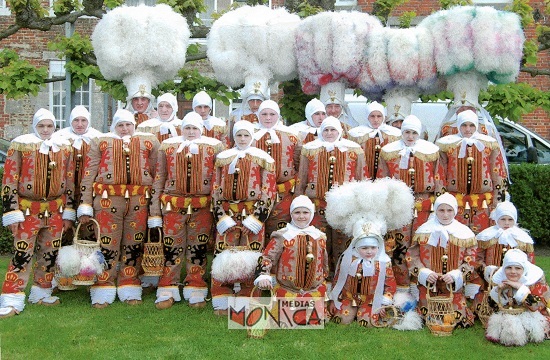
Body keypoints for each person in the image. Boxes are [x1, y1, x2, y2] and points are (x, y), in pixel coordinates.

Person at [77, 109, 160, 308]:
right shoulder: (101, 142)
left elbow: (158, 173)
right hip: (107, 200)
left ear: (134, 125)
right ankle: (103, 285)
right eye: (120, 125)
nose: (124, 129)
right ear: (114, 126)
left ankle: (129, 283)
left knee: (133, 243)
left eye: (128, 124)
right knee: (107, 242)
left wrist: (155, 208)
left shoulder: (149, 142)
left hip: (139, 200)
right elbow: (89, 173)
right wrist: (85, 205)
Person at [0, 108, 75, 318]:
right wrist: (11, 212)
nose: (45, 130)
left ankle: (42, 291)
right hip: (27, 211)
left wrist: (68, 212)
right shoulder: (21, 146)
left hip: (55, 211)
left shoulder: (63, 148)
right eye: (41, 126)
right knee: (22, 254)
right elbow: (9, 180)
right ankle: (12, 296)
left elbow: (69, 181)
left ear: (55, 127)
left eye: (49, 126)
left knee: (49, 254)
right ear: (35, 126)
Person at [150, 112, 223, 310]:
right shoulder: (168, 147)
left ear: (201, 129)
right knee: (171, 246)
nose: (191, 132)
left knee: (198, 247)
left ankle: (196, 285)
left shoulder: (214, 147)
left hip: (202, 206)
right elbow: (160, 177)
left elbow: (219, 180)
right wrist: (155, 211)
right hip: (173, 205)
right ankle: (168, 287)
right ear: (182, 129)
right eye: (187, 128)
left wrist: (218, 210)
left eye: (195, 128)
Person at [210, 120, 276, 315]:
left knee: (251, 253)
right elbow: (215, 188)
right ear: (234, 137)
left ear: (252, 137)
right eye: (239, 135)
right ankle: (222, 292)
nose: (242, 139)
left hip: (253, 212)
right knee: (224, 252)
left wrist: (257, 219)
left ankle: (248, 292)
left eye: (246, 135)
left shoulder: (263, 158)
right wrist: (220, 216)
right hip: (228, 212)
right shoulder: (223, 158)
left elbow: (269, 190)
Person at [378, 115, 441, 296]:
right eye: (407, 132)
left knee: (420, 244)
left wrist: (438, 205)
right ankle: (401, 285)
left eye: (414, 133)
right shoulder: (388, 152)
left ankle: (419, 283)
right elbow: (383, 180)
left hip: (424, 205)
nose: (410, 136)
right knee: (399, 244)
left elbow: (439, 179)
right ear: (401, 133)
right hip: (399, 205)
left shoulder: (431, 152)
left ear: (419, 134)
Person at [295, 117, 367, 274]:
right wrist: (299, 201)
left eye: (333, 129)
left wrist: (361, 206)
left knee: (342, 242)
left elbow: (362, 179)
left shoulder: (354, 150)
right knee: (318, 241)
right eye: (326, 130)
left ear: (340, 131)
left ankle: (342, 277)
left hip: (345, 206)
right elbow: (302, 176)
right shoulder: (310, 149)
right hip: (316, 203)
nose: (329, 133)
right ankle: (319, 276)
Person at [406, 193, 477, 328]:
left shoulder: (464, 233)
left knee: (457, 318)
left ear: (455, 211)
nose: (445, 215)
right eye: (441, 210)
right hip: (429, 286)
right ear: (436, 210)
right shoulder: (424, 231)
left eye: (449, 210)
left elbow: (471, 260)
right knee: (427, 316)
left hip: (452, 287)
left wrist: (457, 274)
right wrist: (423, 272)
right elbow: (412, 256)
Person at [255, 195, 328, 322]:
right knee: (286, 321)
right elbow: (268, 257)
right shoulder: (282, 235)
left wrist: (324, 276)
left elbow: (324, 261)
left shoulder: (319, 236)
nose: (301, 216)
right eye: (297, 212)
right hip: (288, 289)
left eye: (305, 212)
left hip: (313, 289)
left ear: (311, 214)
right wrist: (264, 274)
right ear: (291, 213)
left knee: (314, 321)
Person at [436, 110, 508, 234]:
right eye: (464, 125)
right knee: (456, 236)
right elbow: (440, 174)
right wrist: (441, 201)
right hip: (455, 200)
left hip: (484, 201)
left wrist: (498, 202)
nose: (467, 129)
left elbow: (498, 173)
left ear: (476, 126)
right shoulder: (447, 145)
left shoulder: (489, 144)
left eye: (471, 125)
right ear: (458, 126)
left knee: (482, 235)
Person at [471, 201, 535, 315]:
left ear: (515, 220)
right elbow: (477, 258)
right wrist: (487, 270)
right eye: (503, 219)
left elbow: (530, 263)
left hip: (516, 277)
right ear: (496, 219)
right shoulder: (487, 236)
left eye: (510, 220)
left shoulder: (523, 239)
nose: (506, 223)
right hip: (490, 279)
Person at [252, 100, 302, 240]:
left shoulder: (291, 135)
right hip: (257, 192)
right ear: (258, 115)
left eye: (272, 114)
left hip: (283, 191)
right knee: (256, 227)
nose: (268, 118)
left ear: (278, 115)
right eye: (264, 114)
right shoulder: (250, 134)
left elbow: (297, 161)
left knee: (280, 227)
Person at [331, 222, 396, 326]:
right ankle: (351, 312)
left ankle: (363, 313)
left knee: (367, 323)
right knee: (341, 320)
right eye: (364, 248)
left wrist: (384, 303)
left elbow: (390, 284)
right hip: (349, 298)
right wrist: (335, 299)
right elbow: (339, 279)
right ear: (356, 247)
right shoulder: (349, 259)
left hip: (371, 301)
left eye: (373, 248)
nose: (369, 251)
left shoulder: (383, 262)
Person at [486, 249, 550, 345]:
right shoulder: (504, 281)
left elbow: (536, 306)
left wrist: (520, 288)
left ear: (524, 269)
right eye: (509, 268)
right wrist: (498, 291)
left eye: (518, 268)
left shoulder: (536, 282)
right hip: (513, 313)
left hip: (538, 314)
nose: (513, 272)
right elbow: (493, 305)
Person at [55, 106, 103, 207]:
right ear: (71, 121)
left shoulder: (98, 138)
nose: (80, 124)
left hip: (89, 187)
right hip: (66, 186)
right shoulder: (59, 137)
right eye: (76, 120)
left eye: (83, 120)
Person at [348, 101, 401, 180]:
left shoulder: (394, 134)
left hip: (386, 176)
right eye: (372, 116)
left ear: (383, 117)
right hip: (364, 175)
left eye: (379, 116)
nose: (376, 120)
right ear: (367, 117)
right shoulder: (357, 133)